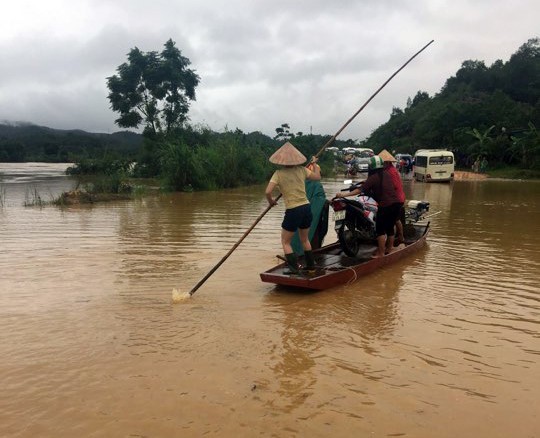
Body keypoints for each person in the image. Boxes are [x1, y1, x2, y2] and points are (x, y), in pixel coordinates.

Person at [265, 142, 321, 274]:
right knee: (305, 239)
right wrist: (315, 164)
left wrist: (271, 201)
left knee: (285, 242)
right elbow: (317, 177)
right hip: (306, 208)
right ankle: (311, 267)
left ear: (281, 161)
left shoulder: (278, 174)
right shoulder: (302, 170)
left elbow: (268, 192)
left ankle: (294, 269)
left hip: (293, 210)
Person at [335, 153, 403, 258]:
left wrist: (343, 194)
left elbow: (360, 190)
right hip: (396, 204)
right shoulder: (387, 174)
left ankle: (380, 253)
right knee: (389, 228)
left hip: (385, 205)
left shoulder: (373, 177)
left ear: (370, 167)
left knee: (380, 230)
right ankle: (390, 248)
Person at [378, 149, 406, 245]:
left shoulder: (390, 172)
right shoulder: (390, 170)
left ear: (386, 162)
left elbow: (393, 186)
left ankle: (393, 241)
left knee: (391, 221)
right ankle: (400, 237)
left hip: (395, 199)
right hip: (398, 197)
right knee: (396, 219)